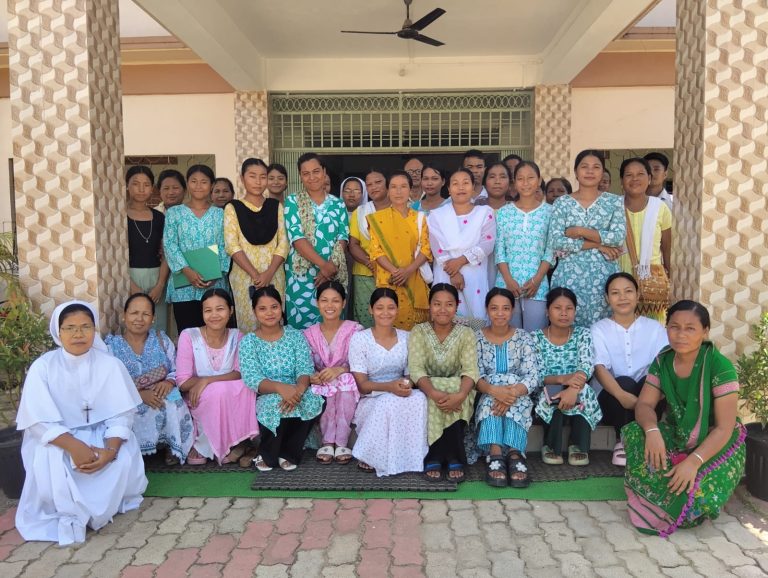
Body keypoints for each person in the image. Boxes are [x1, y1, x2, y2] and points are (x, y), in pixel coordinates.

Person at [15, 301, 147, 545]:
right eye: (70, 328)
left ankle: (99, 508)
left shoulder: (110, 364)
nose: (78, 334)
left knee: (122, 457)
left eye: (86, 327)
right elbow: (38, 421)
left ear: (94, 331)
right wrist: (75, 447)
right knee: (55, 460)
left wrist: (110, 451)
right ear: (58, 331)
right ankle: (74, 510)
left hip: (103, 439)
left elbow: (122, 415)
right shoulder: (43, 367)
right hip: (61, 438)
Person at [624, 301, 746, 536]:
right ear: (666, 328)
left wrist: (693, 461)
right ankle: (660, 489)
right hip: (677, 431)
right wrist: (652, 431)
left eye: (690, 328)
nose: (680, 335)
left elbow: (724, 428)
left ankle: (663, 494)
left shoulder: (721, 367)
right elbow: (645, 404)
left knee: (698, 500)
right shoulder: (663, 360)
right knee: (633, 432)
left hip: (716, 441)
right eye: (674, 327)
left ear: (705, 331)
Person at [239, 286, 324, 471]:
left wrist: (298, 391)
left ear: (281, 307)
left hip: (297, 389)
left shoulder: (295, 335)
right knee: (276, 405)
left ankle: (289, 452)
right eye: (262, 309)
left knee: (313, 399)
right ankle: (268, 454)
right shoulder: (248, 342)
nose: (269, 313)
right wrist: (280, 388)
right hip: (268, 393)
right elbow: (252, 377)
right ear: (254, 312)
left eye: (274, 307)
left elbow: (305, 368)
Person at [106, 293, 193, 465]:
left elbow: (177, 369)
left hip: (160, 390)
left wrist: (168, 382)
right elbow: (108, 382)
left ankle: (171, 446)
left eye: (145, 314)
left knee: (173, 401)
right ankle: (133, 450)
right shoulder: (111, 346)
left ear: (153, 318)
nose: (139, 318)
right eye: (134, 313)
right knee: (127, 410)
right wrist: (139, 394)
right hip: (127, 396)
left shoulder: (162, 340)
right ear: (124, 316)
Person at [349, 288, 428, 476]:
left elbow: (410, 374)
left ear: (397, 309)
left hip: (400, 391)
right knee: (387, 401)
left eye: (391, 307)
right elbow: (362, 385)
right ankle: (371, 455)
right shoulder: (360, 339)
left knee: (420, 398)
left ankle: (409, 456)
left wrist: (404, 385)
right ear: (370, 310)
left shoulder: (407, 337)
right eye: (379, 308)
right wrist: (389, 387)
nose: (385, 313)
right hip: (372, 396)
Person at [591, 273, 668, 466]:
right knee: (624, 382)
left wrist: (646, 402)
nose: (622, 297)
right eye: (615, 293)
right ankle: (622, 441)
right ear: (607, 299)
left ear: (638, 294)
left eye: (628, 291)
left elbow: (665, 366)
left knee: (648, 382)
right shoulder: (599, 329)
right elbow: (599, 368)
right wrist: (623, 396)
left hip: (650, 398)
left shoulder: (655, 328)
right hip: (612, 400)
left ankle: (644, 437)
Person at [176, 289, 257, 465]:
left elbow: (239, 372)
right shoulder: (189, 336)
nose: (214, 315)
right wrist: (207, 385)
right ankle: (206, 444)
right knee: (218, 391)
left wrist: (207, 380)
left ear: (231, 311)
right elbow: (182, 382)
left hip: (228, 392)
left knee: (246, 386)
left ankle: (238, 442)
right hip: (198, 397)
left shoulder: (238, 337)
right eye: (208, 310)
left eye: (220, 309)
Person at [547, 150, 626, 326]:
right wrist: (598, 245)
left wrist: (579, 230)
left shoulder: (614, 202)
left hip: (604, 276)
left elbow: (617, 238)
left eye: (596, 167)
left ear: (602, 172)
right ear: (575, 172)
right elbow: (557, 241)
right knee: (568, 326)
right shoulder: (562, 203)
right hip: (569, 276)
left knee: (603, 328)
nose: (590, 171)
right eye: (584, 167)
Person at [409, 284, 479, 482]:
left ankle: (450, 454)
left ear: (456, 307)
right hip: (426, 389)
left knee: (457, 386)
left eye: (449, 304)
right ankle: (437, 454)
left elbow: (470, 370)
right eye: (437, 304)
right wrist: (432, 391)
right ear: (429, 306)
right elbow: (416, 369)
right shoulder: (419, 331)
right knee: (438, 390)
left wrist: (461, 395)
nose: (442, 309)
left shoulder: (466, 334)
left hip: (459, 390)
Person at [474, 288, 539, 487]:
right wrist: (496, 392)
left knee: (519, 403)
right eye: (494, 308)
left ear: (512, 311)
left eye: (505, 308)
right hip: (489, 390)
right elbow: (473, 375)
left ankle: (514, 452)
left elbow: (532, 374)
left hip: (517, 391)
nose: (500, 313)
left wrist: (511, 394)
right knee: (489, 404)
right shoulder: (476, 338)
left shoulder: (523, 337)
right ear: (487, 310)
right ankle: (495, 453)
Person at [534, 288, 601, 466]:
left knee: (585, 391)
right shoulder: (535, 338)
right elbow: (537, 374)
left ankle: (578, 446)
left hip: (578, 387)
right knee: (552, 393)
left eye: (569, 308)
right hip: (548, 388)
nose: (564, 313)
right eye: (557, 308)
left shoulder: (583, 334)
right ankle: (550, 445)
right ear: (547, 311)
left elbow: (586, 365)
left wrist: (572, 388)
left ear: (575, 311)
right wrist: (563, 380)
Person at [284, 153, 349, 329]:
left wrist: (330, 267)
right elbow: (296, 237)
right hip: (301, 277)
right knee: (302, 325)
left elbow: (343, 237)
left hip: (332, 273)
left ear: (324, 172)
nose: (312, 177)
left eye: (316, 171)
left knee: (330, 321)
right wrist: (323, 265)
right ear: (300, 176)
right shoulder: (292, 201)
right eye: (306, 173)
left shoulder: (338, 204)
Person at [224, 158, 288, 333]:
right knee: (249, 323)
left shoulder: (275, 207)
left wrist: (268, 273)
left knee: (273, 319)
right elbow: (232, 245)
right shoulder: (232, 207)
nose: (258, 182)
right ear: (242, 178)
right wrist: (256, 275)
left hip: (274, 274)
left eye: (263, 176)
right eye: (252, 176)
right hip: (245, 278)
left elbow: (283, 243)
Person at [163, 164, 231, 332]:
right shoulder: (174, 213)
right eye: (194, 181)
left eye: (204, 182)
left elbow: (226, 244)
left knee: (216, 332)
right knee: (188, 333)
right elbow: (170, 243)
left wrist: (217, 274)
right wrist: (186, 270)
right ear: (187, 184)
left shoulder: (221, 214)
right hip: (183, 284)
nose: (198, 186)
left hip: (215, 283)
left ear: (212, 185)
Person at [303, 281, 362, 464]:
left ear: (344, 303)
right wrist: (312, 376)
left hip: (348, 382)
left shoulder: (355, 330)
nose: (330, 306)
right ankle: (327, 440)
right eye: (324, 300)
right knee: (328, 385)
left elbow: (361, 364)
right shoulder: (308, 333)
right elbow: (305, 365)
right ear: (317, 303)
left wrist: (340, 369)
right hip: (320, 383)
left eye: (335, 301)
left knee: (343, 380)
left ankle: (342, 440)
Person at [428, 168, 496, 324]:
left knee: (475, 321)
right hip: (446, 274)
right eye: (455, 183)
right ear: (449, 189)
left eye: (466, 183)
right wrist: (453, 273)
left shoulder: (485, 213)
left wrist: (460, 262)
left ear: (473, 187)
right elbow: (437, 247)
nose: (460, 187)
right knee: (445, 320)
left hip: (474, 274)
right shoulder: (437, 216)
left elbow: (487, 244)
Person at [368, 171, 433, 330]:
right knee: (389, 320)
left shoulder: (420, 218)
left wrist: (408, 271)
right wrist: (396, 272)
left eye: (403, 186)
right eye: (394, 187)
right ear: (388, 191)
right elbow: (376, 251)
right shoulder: (377, 219)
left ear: (411, 190)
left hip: (414, 277)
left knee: (415, 330)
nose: (398, 191)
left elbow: (426, 248)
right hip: (389, 279)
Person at [495, 161, 553, 331]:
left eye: (530, 178)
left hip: (537, 286)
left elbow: (549, 251)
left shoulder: (550, 212)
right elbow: (499, 250)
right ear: (514, 182)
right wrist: (508, 280)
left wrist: (536, 281)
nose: (525, 183)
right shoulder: (504, 212)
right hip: (506, 284)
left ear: (539, 180)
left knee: (535, 338)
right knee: (508, 337)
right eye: (520, 178)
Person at [618, 157, 672, 322]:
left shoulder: (660, 208)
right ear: (621, 180)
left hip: (651, 283)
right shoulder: (612, 207)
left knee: (652, 332)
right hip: (618, 281)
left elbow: (667, 248)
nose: (635, 179)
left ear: (649, 179)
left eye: (640, 174)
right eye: (629, 175)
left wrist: (671, 280)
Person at [126, 165, 169, 330]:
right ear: (127, 186)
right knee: (134, 324)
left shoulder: (159, 217)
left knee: (158, 326)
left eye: (146, 184)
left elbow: (166, 254)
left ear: (152, 188)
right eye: (136, 184)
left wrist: (160, 285)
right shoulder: (119, 216)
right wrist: (131, 285)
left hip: (157, 277)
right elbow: (115, 257)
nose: (141, 189)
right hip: (129, 276)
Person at [348, 170, 387, 327]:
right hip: (365, 274)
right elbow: (353, 244)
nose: (374, 187)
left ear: (387, 184)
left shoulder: (401, 210)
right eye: (369, 184)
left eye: (378, 182)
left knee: (391, 316)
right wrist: (371, 263)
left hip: (395, 275)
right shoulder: (361, 212)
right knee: (366, 319)